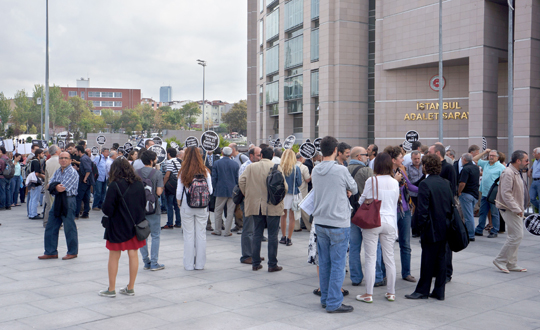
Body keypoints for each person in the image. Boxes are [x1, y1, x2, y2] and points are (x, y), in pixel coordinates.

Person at [311, 136, 357, 313]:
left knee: (324, 263)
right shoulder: (340, 170)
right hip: (338, 221)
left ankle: (325, 298)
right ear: (336, 150)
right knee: (338, 264)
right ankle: (334, 302)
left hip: (321, 222)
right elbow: (354, 189)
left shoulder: (316, 169)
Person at [405, 154, 453, 300]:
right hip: (444, 226)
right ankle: (439, 291)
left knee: (427, 260)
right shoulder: (445, 182)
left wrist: (420, 226)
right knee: (441, 259)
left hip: (431, 227)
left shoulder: (425, 184)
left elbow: (422, 209)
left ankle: (422, 290)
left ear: (425, 167)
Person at [99, 158, 147, 298]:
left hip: (117, 226)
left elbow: (107, 209)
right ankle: (130, 287)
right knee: (133, 254)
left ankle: (111, 289)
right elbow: (143, 203)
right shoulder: (138, 183)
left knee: (114, 256)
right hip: (134, 225)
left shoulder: (114, 185)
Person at [356, 153, 399, 304]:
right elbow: (394, 203)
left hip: (373, 221)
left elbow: (362, 200)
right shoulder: (394, 182)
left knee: (370, 258)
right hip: (390, 221)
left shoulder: (371, 180)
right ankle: (391, 292)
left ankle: (368, 293)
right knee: (389, 259)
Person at [238, 146, 287, 272]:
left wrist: (248, 194)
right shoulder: (276, 167)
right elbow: (284, 187)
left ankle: (255, 263)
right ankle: (272, 264)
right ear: (272, 155)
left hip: (255, 205)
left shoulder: (251, 167)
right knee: (272, 235)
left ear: (261, 155)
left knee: (256, 233)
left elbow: (241, 182)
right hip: (272, 204)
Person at [176, 147, 213, 270]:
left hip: (187, 205)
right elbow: (211, 190)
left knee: (188, 235)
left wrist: (179, 203)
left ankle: (188, 265)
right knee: (201, 235)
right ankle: (200, 264)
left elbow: (178, 192)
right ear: (199, 156)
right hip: (202, 206)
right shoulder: (205, 171)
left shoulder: (183, 171)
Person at [38, 151, 79, 260]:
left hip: (68, 201)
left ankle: (72, 251)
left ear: (70, 160)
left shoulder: (72, 172)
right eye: (61, 158)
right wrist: (54, 186)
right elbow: (49, 185)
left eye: (66, 158)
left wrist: (53, 186)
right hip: (57, 200)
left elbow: (62, 188)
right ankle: (50, 251)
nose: (63, 160)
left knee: (69, 227)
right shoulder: (58, 171)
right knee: (51, 225)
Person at [493, 150, 529, 273]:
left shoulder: (516, 172)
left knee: (514, 235)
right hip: (510, 209)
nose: (528, 162)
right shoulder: (508, 172)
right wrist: (516, 209)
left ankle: (511, 263)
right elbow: (506, 193)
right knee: (517, 236)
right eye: (526, 160)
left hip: (516, 209)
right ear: (518, 161)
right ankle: (500, 260)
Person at [385, 145, 418, 282]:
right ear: (393, 160)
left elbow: (409, 186)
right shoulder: (384, 174)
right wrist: (395, 181)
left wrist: (428, 188)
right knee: (386, 244)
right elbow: (386, 190)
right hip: (391, 211)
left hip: (405, 210)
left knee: (405, 243)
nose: (403, 160)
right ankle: (385, 273)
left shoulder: (400, 171)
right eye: (400, 157)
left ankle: (406, 272)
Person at [347, 146, 373, 286]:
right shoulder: (366, 171)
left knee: (354, 247)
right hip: (365, 214)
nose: (367, 157)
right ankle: (376, 276)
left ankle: (356, 278)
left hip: (350, 214)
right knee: (372, 247)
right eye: (365, 155)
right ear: (359, 157)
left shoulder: (343, 170)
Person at [137, 150, 165, 271]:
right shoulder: (157, 173)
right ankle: (154, 262)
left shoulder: (135, 172)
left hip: (139, 209)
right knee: (155, 235)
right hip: (154, 209)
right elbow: (158, 192)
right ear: (151, 161)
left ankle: (146, 262)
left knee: (142, 236)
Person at [473, 149, 505, 238]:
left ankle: (494, 230)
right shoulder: (486, 164)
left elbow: (504, 180)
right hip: (484, 193)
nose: (490, 157)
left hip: (494, 194)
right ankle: (479, 229)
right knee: (483, 212)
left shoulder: (501, 167)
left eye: (493, 156)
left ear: (497, 157)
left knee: (494, 213)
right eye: (490, 155)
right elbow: (474, 159)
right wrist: (484, 152)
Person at [238, 147, 262, 264]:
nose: (260, 157)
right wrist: (248, 196)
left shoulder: (258, 166)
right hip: (248, 201)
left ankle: (254, 253)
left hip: (256, 201)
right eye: (258, 155)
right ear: (251, 156)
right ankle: (246, 255)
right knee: (248, 229)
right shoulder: (245, 166)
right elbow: (241, 184)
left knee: (255, 229)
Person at [211, 147, 239, 237]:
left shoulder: (217, 163)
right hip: (232, 190)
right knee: (230, 212)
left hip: (220, 190)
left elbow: (214, 178)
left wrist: (214, 188)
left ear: (222, 153)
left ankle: (217, 230)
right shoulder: (235, 164)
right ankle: (227, 231)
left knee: (218, 211)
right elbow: (237, 179)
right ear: (231, 154)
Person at [279, 149, 302, 246]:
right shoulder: (296, 168)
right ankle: (289, 238)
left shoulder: (280, 168)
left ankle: (283, 237)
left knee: (283, 216)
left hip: (283, 194)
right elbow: (299, 183)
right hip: (293, 194)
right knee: (292, 217)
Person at [457, 153, 480, 241]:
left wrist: (459, 192)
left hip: (466, 194)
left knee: (468, 216)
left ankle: (470, 234)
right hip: (474, 194)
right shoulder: (476, 168)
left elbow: (462, 183)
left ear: (464, 159)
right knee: (469, 214)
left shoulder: (465, 169)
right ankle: (469, 232)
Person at [162, 148, 182, 229]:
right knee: (176, 205)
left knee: (169, 205)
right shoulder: (179, 161)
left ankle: (170, 223)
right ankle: (178, 222)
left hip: (170, 187)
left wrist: (163, 184)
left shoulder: (170, 162)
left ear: (168, 154)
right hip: (177, 185)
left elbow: (167, 175)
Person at [43, 146, 61, 228]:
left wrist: (46, 186)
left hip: (49, 185)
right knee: (58, 205)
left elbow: (46, 176)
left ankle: (46, 222)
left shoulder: (47, 161)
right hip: (58, 185)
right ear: (56, 151)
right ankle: (57, 222)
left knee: (49, 205)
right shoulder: (61, 161)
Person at [75, 145, 94, 219]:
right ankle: (85, 213)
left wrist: (85, 178)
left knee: (79, 197)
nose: (75, 153)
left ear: (79, 151)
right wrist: (78, 169)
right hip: (87, 181)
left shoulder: (83, 158)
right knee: (86, 198)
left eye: (76, 151)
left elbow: (88, 170)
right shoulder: (85, 158)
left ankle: (76, 214)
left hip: (84, 181)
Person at [294, 153, 311, 232]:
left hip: (294, 191)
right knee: (304, 210)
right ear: (301, 158)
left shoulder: (291, 166)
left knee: (295, 209)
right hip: (302, 191)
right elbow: (307, 179)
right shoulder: (304, 167)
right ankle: (309, 226)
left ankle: (296, 227)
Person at [27, 148, 45, 219]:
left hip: (32, 182)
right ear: (38, 154)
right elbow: (37, 173)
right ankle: (33, 214)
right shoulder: (36, 162)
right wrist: (44, 176)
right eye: (42, 153)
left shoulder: (32, 161)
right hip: (36, 182)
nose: (43, 155)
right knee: (35, 198)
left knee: (32, 198)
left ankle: (31, 213)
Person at [528, 147, 540, 212]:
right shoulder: (536, 160)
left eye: (534, 153)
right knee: (531, 198)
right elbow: (533, 167)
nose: (533, 154)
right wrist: (530, 169)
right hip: (534, 181)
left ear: (539, 154)